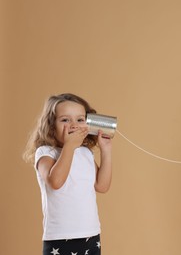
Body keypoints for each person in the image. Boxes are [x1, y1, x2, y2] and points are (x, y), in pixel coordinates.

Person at [23, 93, 113, 255]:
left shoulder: (85, 153)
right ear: (51, 126)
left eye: (80, 120)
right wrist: (69, 146)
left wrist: (106, 150)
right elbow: (56, 182)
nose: (73, 125)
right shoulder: (45, 153)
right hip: (60, 237)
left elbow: (102, 185)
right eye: (65, 120)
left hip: (90, 234)